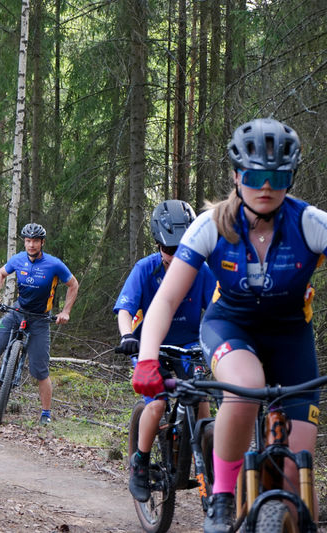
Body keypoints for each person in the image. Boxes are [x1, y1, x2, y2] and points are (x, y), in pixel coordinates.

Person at [131, 118, 324, 533]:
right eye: (255, 175)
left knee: (296, 476)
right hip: (230, 328)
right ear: (237, 175)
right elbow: (165, 299)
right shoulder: (211, 226)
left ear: (290, 178)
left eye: (278, 176)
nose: (266, 186)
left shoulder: (310, 224)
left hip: (291, 337)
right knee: (247, 385)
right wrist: (147, 359)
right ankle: (221, 497)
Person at [114, 200, 216, 502]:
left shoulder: (202, 270)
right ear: (158, 245)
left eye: (182, 249)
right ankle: (141, 464)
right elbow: (125, 308)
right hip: (150, 346)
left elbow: (217, 309)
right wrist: (127, 335)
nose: (175, 257)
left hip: (190, 346)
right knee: (156, 405)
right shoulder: (145, 269)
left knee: (201, 404)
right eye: (169, 250)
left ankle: (208, 468)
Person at [0, 223, 79, 426]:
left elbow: (73, 284)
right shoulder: (18, 259)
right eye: (28, 241)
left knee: (40, 370)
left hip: (40, 319)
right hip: (17, 312)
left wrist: (66, 312)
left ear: (42, 242)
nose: (31, 245)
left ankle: (46, 413)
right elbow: (0, 274)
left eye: (35, 241)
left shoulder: (54, 264)